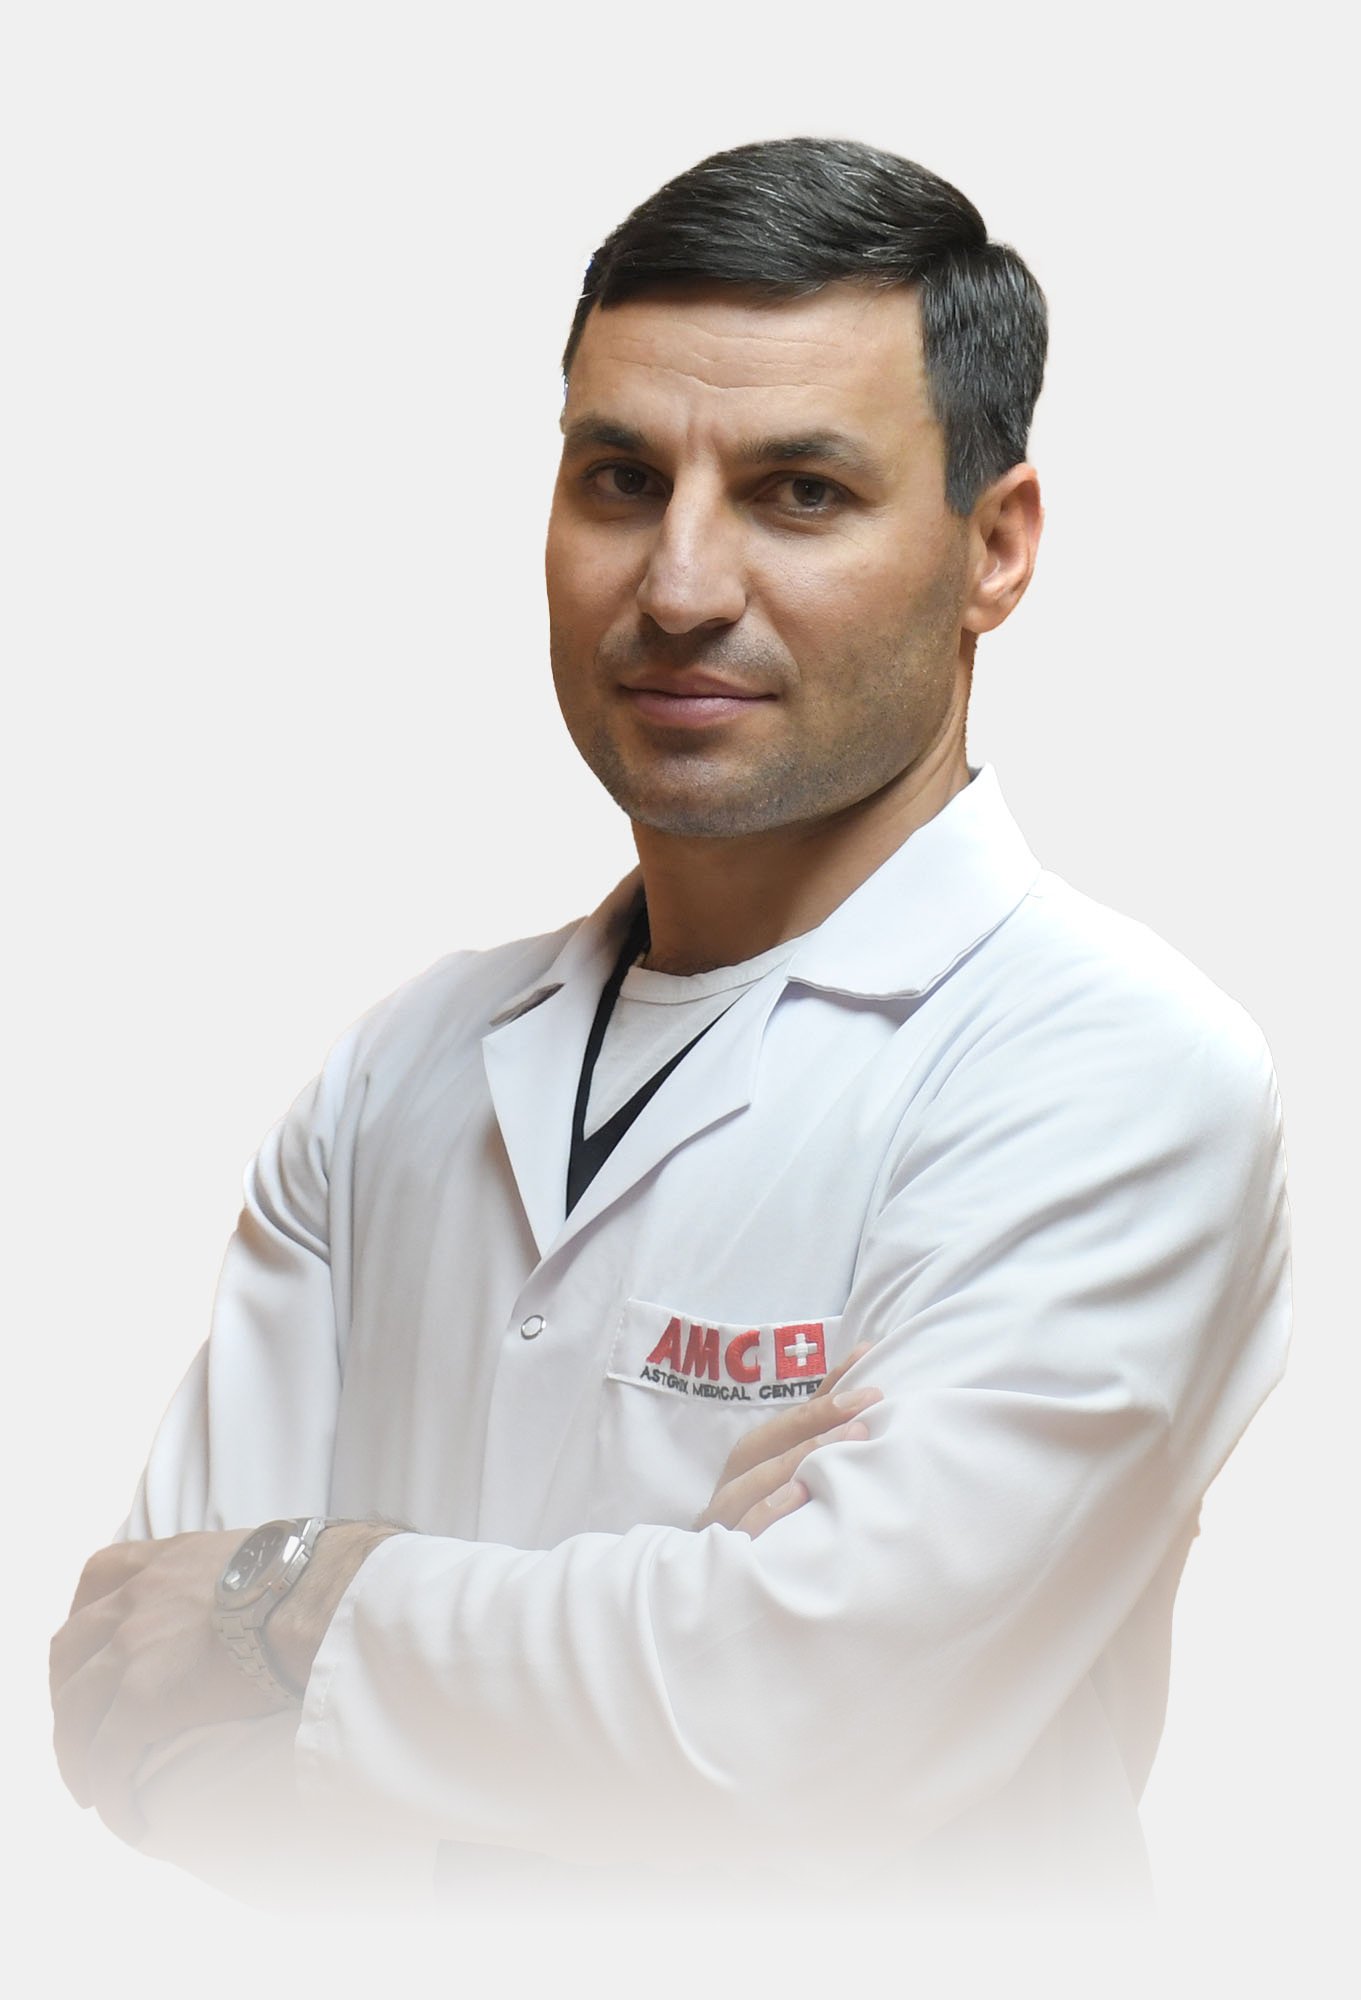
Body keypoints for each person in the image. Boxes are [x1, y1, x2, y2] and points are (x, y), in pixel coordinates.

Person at [49, 135, 1291, 1916]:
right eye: (622, 480)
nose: (682, 585)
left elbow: (813, 1728)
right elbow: (129, 1711)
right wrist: (667, 1630)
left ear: (994, 547)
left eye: (800, 493)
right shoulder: (400, 1068)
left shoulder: (1111, 1073)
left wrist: (294, 1591)